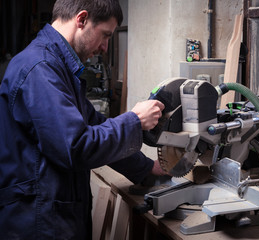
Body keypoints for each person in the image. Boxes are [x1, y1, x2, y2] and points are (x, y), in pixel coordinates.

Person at [0, 0, 166, 239]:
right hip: (37, 221)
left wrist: (147, 167)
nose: (106, 47)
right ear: (82, 20)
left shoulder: (58, 67)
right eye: (105, 35)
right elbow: (76, 145)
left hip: (53, 213)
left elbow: (93, 124)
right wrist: (134, 120)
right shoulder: (40, 68)